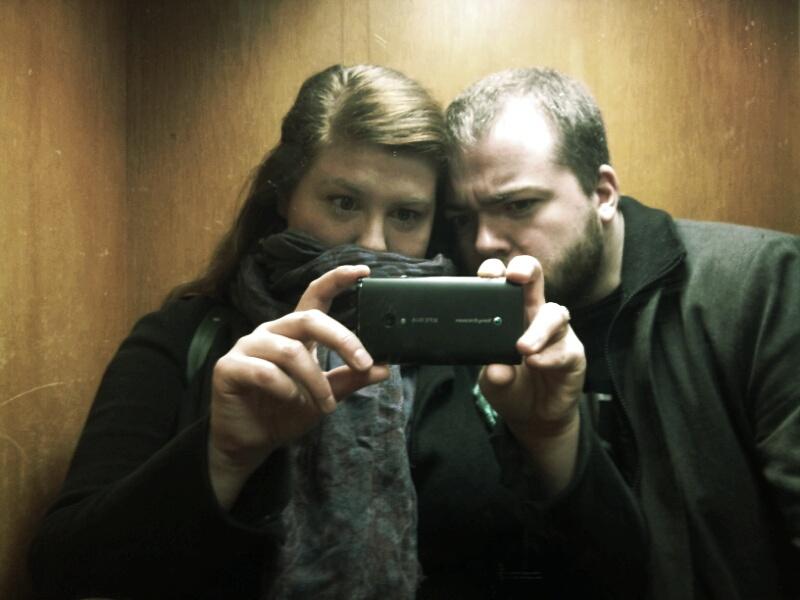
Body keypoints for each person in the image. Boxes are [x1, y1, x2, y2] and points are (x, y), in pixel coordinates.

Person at [27, 64, 587, 600]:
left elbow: (598, 576)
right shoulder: (187, 339)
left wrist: (553, 437)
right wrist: (223, 455)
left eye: (406, 214)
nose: (372, 242)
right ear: (284, 196)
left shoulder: (487, 355)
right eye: (343, 202)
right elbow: (62, 566)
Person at [444, 67, 800, 599]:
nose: (483, 242)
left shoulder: (759, 283)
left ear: (602, 193)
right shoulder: (476, 328)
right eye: (462, 218)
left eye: (518, 205)